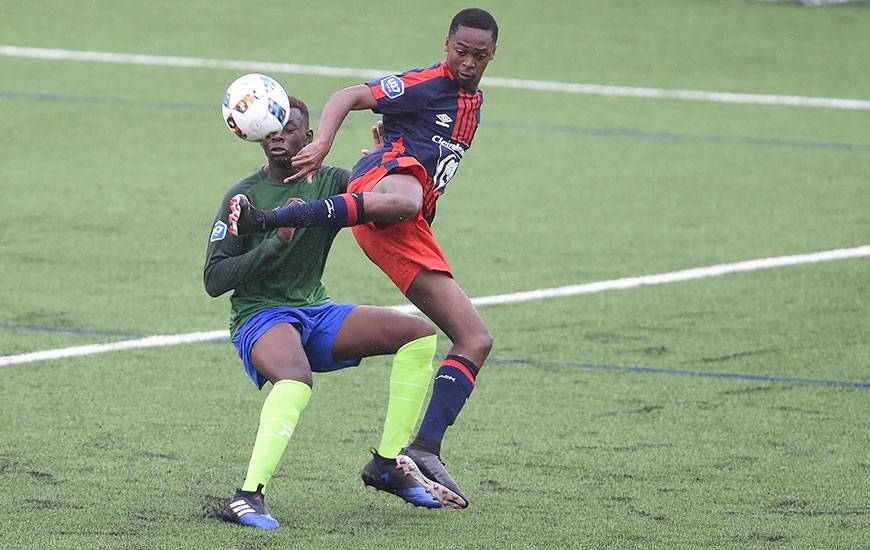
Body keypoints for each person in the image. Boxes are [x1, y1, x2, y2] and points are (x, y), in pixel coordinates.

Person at [228, 8, 498, 509]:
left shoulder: (472, 102)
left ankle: (417, 451)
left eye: (478, 55)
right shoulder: (427, 83)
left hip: (407, 224)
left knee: (474, 339)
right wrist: (329, 141)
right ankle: (271, 219)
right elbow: (348, 96)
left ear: (492, 56)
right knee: (404, 198)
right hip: (385, 190)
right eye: (460, 51)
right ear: (446, 45)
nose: (467, 62)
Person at [204, 97, 444, 530]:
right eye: (273, 128)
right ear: (259, 135)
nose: (280, 136)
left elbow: (388, 205)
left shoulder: (334, 182)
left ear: (309, 139)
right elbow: (215, 280)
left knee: (419, 334)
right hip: (260, 317)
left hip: (315, 311)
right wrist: (277, 242)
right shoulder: (243, 196)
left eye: (291, 129)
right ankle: (247, 496)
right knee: (295, 378)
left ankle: (388, 464)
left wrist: (381, 159)